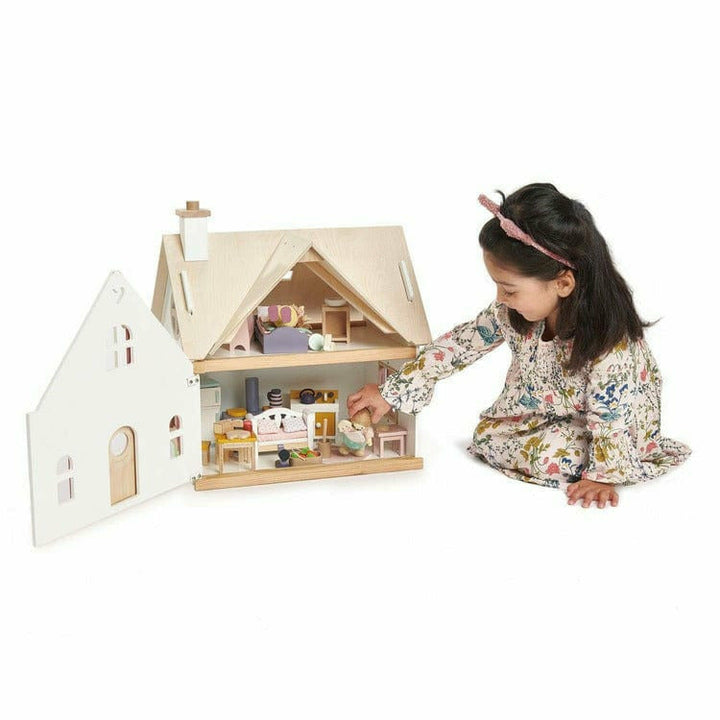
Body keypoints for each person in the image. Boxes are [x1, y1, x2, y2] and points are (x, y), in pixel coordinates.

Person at [347, 183, 691, 509]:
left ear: (563, 284)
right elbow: (458, 347)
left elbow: (611, 412)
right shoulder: (511, 312)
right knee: (486, 437)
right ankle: (551, 442)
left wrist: (602, 476)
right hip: (549, 413)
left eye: (509, 289)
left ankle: (597, 460)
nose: (500, 298)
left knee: (549, 456)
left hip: (610, 426)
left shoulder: (608, 341)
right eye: (498, 286)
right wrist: (392, 392)